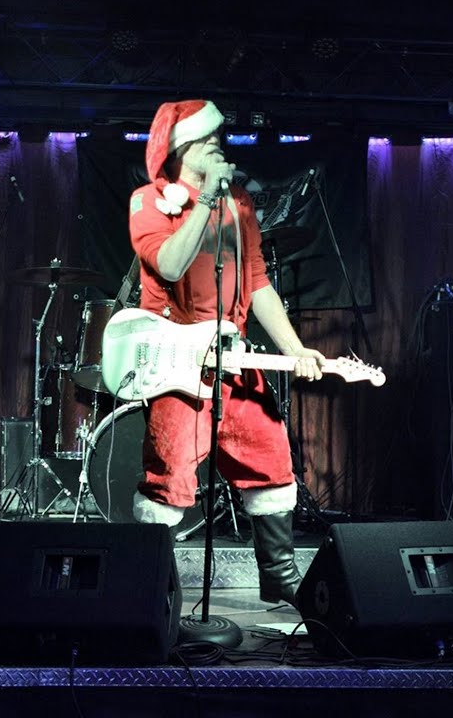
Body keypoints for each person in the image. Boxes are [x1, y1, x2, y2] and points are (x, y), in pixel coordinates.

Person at [126, 99, 326, 605]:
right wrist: (203, 203)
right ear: (178, 148)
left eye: (220, 135)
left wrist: (296, 348)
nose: (218, 143)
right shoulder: (149, 201)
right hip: (178, 361)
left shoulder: (238, 202)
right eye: (206, 137)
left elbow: (257, 282)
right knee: (170, 474)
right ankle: (150, 592)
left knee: (271, 458)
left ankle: (280, 580)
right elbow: (170, 265)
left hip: (233, 356)